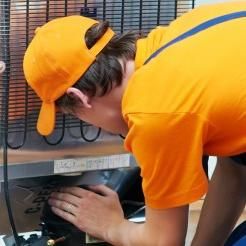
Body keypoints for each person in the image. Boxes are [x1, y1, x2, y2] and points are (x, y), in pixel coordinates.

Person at [23, 1, 246, 245]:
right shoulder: (173, 37)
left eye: (75, 116)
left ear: (80, 97)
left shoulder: (154, 114)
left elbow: (164, 242)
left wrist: (112, 226)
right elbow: (235, 167)